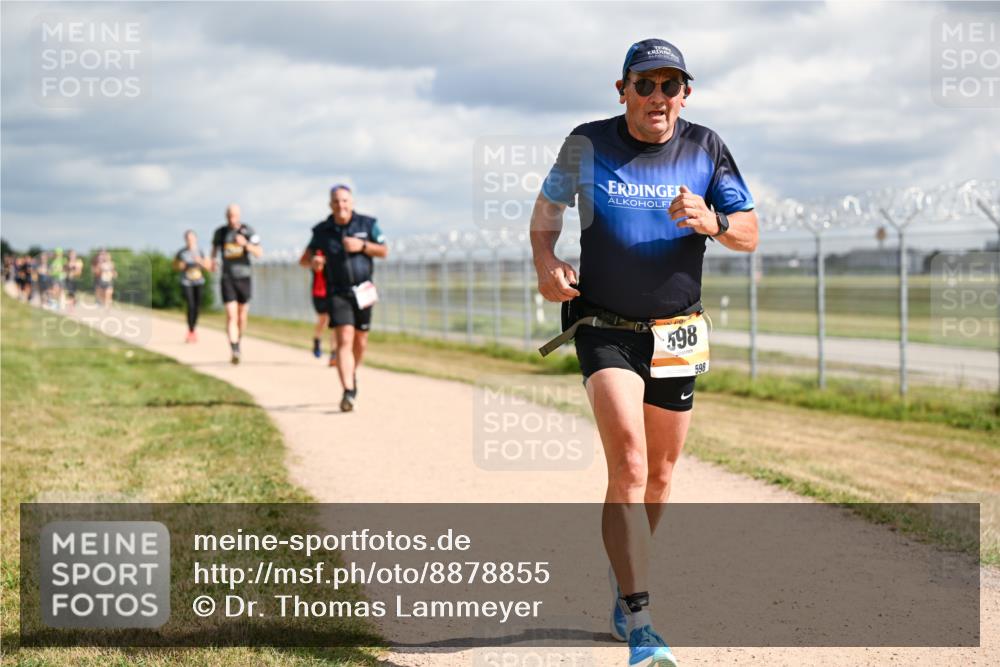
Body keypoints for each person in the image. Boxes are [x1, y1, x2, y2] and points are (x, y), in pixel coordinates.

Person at [531, 39, 758, 667]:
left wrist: (714, 221)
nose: (658, 96)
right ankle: (641, 620)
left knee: (659, 474)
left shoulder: (706, 146)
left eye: (670, 85)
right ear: (622, 89)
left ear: (686, 93)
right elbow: (546, 212)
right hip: (604, 326)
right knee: (629, 463)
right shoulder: (586, 143)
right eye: (645, 84)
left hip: (677, 332)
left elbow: (749, 232)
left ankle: (623, 575)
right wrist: (546, 260)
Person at [299, 185, 387, 412]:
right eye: (336, 201)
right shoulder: (321, 231)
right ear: (330, 204)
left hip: (364, 290)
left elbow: (384, 251)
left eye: (345, 200)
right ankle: (347, 391)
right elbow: (304, 260)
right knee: (344, 338)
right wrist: (314, 262)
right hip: (337, 292)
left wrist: (363, 246)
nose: (341, 205)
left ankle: (351, 373)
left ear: (352, 202)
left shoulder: (368, 224)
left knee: (361, 341)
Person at [211, 204, 263, 364]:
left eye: (234, 215)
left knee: (242, 316)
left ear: (239, 216)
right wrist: (212, 262)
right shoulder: (220, 233)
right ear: (226, 216)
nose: (231, 219)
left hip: (244, 277)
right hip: (227, 277)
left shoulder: (248, 231)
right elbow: (214, 252)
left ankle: (238, 342)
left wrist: (245, 244)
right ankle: (234, 349)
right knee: (231, 314)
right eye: (229, 215)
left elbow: (259, 253)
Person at [298, 247, 338, 365]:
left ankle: (334, 353)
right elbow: (302, 262)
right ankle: (317, 339)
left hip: (333, 292)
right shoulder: (314, 246)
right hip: (318, 292)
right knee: (322, 320)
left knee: (335, 322)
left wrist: (326, 261)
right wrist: (313, 261)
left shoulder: (334, 247)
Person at [174, 230, 213, 343]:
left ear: (195, 239)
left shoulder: (201, 251)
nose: (190, 241)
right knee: (190, 305)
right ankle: (190, 331)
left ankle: (193, 329)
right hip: (186, 282)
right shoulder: (181, 252)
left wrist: (200, 261)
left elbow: (208, 267)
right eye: (188, 239)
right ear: (185, 239)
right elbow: (175, 266)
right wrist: (181, 266)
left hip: (198, 282)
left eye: (191, 238)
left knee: (197, 307)